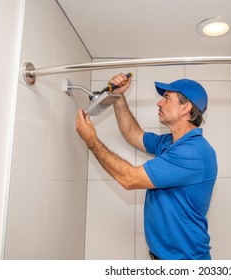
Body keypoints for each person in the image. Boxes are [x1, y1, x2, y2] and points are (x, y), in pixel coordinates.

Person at [76, 73, 218, 260]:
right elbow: (133, 134)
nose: (159, 103)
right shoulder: (171, 143)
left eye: (166, 98)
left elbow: (130, 179)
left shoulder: (193, 153)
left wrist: (92, 141)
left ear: (186, 108)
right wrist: (117, 96)